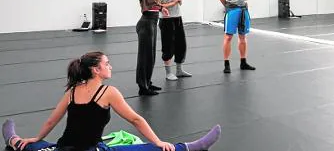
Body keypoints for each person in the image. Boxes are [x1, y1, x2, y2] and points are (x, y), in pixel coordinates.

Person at [2, 52, 221, 151]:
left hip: (63, 148)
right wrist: (158, 142)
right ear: (96, 70)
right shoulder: (109, 92)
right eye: (107, 63)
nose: (111, 66)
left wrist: (36, 137)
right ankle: (188, 148)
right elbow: (136, 120)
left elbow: (51, 121)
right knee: (145, 150)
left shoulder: (71, 91)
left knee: (34, 146)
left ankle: (13, 140)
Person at [135, 0, 169, 96]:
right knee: (144, 57)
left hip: (153, 21)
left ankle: (147, 82)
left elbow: (153, 3)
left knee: (151, 55)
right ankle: (142, 87)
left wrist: (161, 8)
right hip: (146, 23)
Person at [218, 0, 256, 74]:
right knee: (228, 37)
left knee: (243, 37)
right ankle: (226, 64)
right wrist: (229, 8)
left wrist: (243, 3)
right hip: (232, 10)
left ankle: (243, 62)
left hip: (244, 10)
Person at [157, 0, 192, 81]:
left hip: (177, 17)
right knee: (168, 46)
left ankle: (179, 70)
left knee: (181, 44)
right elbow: (159, 5)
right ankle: (168, 73)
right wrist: (174, 2)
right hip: (166, 20)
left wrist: (179, 1)